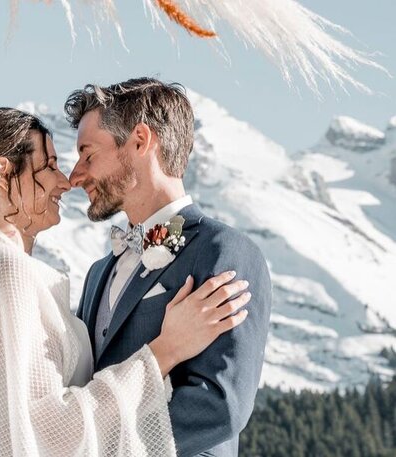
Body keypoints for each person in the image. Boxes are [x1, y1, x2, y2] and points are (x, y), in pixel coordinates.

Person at [0, 107, 251, 457]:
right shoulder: (5, 272)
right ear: (2, 173)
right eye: (48, 166)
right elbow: (54, 434)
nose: (64, 182)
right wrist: (167, 349)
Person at [65, 77, 272, 457]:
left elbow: (219, 405)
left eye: (88, 155)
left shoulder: (223, 251)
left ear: (140, 141)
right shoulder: (97, 274)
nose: (75, 176)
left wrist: (102, 449)